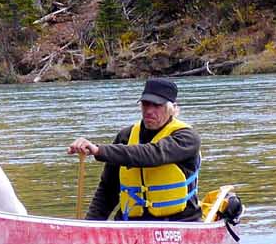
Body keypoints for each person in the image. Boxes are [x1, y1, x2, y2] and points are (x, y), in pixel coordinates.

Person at [68, 77, 201, 221]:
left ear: (171, 109)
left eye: (156, 106)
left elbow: (152, 154)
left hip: (179, 222)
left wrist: (99, 150)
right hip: (130, 222)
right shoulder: (126, 136)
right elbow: (108, 189)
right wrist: (90, 225)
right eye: (145, 104)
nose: (149, 111)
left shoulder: (186, 137)